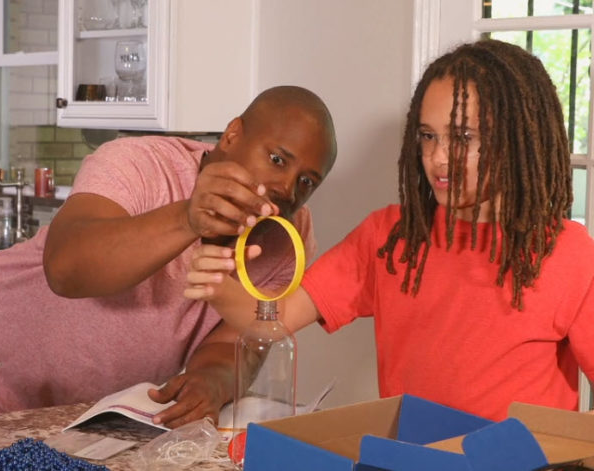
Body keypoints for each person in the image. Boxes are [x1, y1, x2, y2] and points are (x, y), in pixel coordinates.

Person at [185, 39, 594, 422]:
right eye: (428, 136)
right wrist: (219, 285)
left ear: (519, 140)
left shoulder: (570, 254)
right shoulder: (389, 237)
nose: (437, 157)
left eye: (462, 137)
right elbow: (277, 318)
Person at [0, 85, 338, 428]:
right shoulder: (137, 163)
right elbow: (67, 268)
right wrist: (188, 218)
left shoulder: (291, 238)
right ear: (232, 135)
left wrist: (211, 382)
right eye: (277, 159)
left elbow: (237, 338)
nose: (287, 188)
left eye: (307, 181)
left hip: (92, 412)